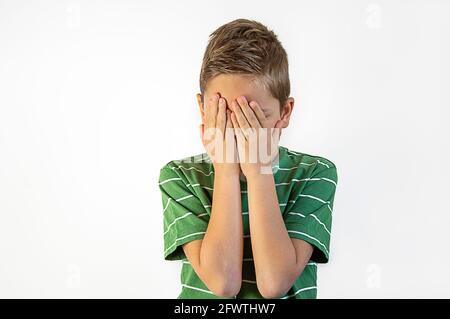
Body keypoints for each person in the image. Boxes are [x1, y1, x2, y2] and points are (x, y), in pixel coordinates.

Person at [158, 18, 338, 299]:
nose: (240, 131)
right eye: (226, 114)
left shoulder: (314, 173)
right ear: (203, 110)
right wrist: (226, 172)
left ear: (285, 112)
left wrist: (259, 172)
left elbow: (274, 284)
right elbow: (223, 282)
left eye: (253, 117)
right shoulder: (180, 177)